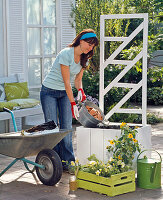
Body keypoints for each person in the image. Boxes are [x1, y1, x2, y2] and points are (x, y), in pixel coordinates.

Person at [40, 29, 99, 171]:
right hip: (49, 92)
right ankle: (55, 162)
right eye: (89, 45)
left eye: (92, 47)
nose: (90, 48)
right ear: (81, 40)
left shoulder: (85, 58)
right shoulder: (66, 53)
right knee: (52, 128)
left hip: (64, 93)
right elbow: (67, 82)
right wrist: (73, 102)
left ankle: (69, 163)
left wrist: (80, 90)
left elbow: (77, 79)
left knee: (67, 128)